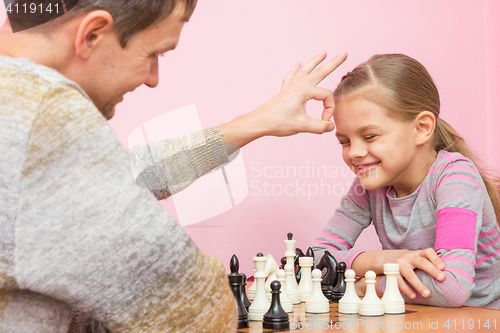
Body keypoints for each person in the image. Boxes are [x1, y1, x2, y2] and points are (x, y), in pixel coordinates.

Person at [0, 0, 348, 332]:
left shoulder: (17, 107)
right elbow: (196, 313)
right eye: (153, 54)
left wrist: (255, 122)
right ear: (92, 34)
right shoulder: (41, 112)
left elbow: (120, 177)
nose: (153, 78)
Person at [312, 54, 500, 309]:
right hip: (415, 317)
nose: (354, 152)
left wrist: (359, 284)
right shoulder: (369, 187)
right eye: (344, 141)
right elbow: (316, 260)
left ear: (422, 127)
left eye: (369, 136)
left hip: (479, 321)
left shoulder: (457, 179)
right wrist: (383, 260)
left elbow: (452, 288)